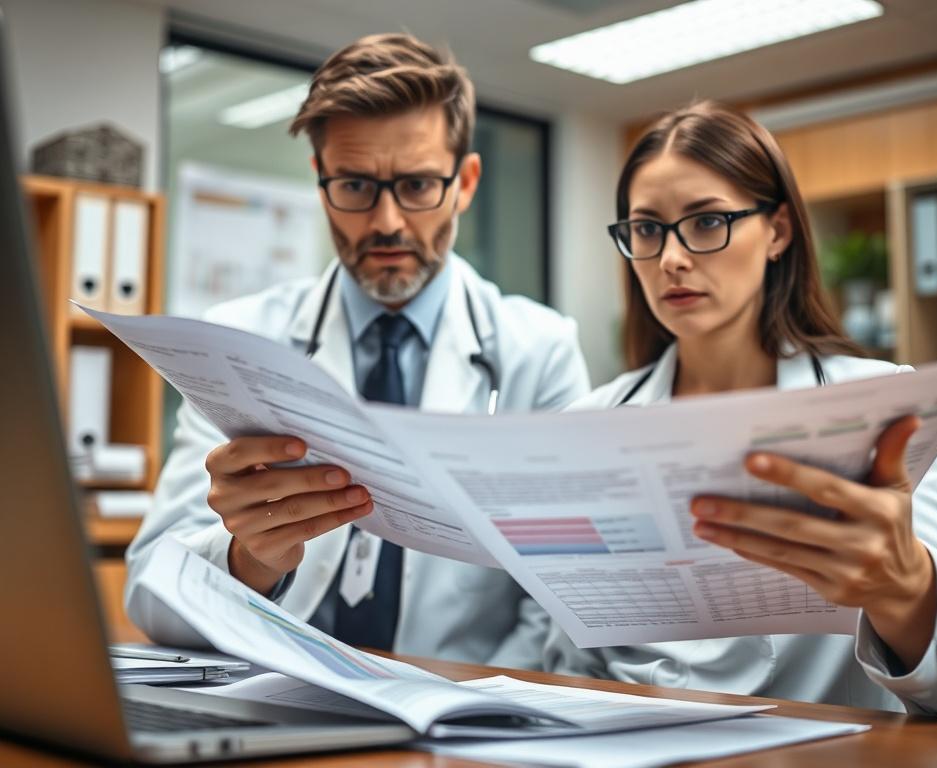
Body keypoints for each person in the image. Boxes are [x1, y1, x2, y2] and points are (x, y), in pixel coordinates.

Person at [544, 100, 937, 719]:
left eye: (707, 221)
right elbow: (567, 667)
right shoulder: (588, 425)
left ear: (777, 231)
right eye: (646, 229)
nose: (671, 258)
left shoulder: (882, 405)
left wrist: (906, 589)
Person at [125, 33, 590, 669]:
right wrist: (248, 559)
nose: (388, 222)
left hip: (463, 724)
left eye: (419, 185)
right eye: (355, 186)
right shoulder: (237, 339)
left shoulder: (539, 351)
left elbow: (563, 599)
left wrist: (467, 705)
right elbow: (151, 598)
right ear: (320, 180)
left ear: (467, 182)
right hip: (279, 704)